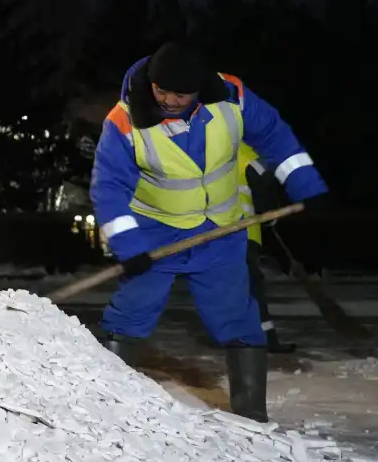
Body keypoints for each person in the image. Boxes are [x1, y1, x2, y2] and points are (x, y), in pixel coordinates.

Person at [89, 41, 328, 422]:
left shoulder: (234, 97)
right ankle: (103, 408)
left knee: (237, 315)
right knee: (131, 312)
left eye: (180, 93)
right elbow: (109, 187)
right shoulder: (123, 121)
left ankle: (251, 414)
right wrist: (128, 244)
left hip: (220, 231)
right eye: (160, 90)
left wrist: (306, 185)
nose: (168, 100)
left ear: (200, 88)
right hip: (154, 234)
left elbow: (274, 137)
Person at [239, 142, 298, 353]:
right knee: (251, 287)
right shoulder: (247, 155)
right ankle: (264, 339)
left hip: (209, 236)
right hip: (242, 235)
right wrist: (269, 216)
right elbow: (263, 186)